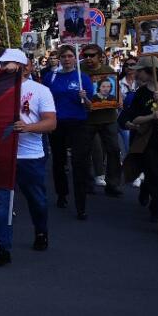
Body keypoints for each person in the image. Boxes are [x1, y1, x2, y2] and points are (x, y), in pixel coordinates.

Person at [0, 50, 56, 266]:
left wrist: (28, 127)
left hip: (30, 156)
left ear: (22, 66)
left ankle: (41, 231)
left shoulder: (40, 91)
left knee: (37, 200)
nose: (3, 68)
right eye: (1, 64)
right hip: (1, 154)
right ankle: (3, 247)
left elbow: (51, 123)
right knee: (1, 203)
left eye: (8, 64)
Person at [120, 57, 158, 234]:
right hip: (148, 141)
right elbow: (134, 118)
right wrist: (152, 117)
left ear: (149, 71)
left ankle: (155, 202)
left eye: (140, 70)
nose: (136, 73)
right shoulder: (141, 93)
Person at [44, 46, 94, 220]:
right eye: (63, 56)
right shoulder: (51, 77)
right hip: (57, 124)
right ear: (59, 58)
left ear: (75, 58)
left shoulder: (83, 77)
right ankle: (62, 193)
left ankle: (81, 205)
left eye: (70, 56)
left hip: (78, 124)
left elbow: (90, 106)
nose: (66, 59)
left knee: (79, 164)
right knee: (59, 161)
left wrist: (84, 97)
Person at [80, 44, 122, 197]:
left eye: (92, 55)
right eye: (86, 56)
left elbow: (117, 91)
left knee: (114, 150)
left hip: (108, 118)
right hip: (87, 118)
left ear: (100, 56)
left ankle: (113, 184)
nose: (89, 58)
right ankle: (87, 183)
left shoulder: (108, 71)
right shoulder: (80, 71)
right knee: (84, 152)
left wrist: (119, 100)